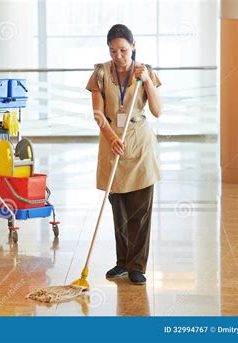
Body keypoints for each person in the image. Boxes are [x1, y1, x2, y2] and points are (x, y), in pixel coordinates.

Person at [86, 24, 162, 285]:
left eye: (123, 50)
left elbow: (157, 110)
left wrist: (148, 81)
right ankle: (122, 262)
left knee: (140, 209)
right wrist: (111, 137)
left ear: (133, 45)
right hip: (112, 143)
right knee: (119, 208)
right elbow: (97, 113)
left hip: (139, 144)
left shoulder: (145, 71)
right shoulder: (100, 73)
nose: (118, 55)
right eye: (113, 50)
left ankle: (137, 266)